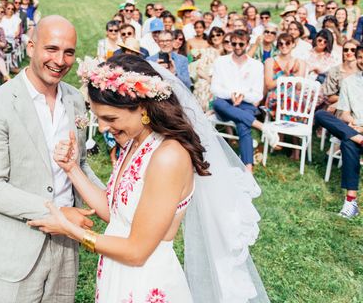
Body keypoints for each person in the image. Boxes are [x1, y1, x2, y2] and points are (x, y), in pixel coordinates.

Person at [28, 53, 269, 303]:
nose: (101, 128)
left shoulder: (168, 157)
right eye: (98, 117)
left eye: (110, 118)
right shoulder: (135, 143)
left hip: (145, 281)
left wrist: (70, 231)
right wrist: (71, 169)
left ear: (142, 108)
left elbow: (137, 251)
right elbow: (118, 214)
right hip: (118, 273)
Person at [0, 15, 102, 303]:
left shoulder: (76, 100)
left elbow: (80, 165)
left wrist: (111, 198)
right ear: (31, 47)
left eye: (69, 52)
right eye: (51, 49)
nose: (60, 60)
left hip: (66, 244)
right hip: (14, 246)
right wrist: (55, 212)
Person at [314, 45, 363, 219]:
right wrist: (353, 126)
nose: (362, 60)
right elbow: (344, 113)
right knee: (321, 114)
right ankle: (351, 203)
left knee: (347, 140)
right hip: (354, 129)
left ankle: (350, 201)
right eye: (360, 57)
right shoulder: (350, 82)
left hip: (357, 130)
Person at [211, 30, 265, 172]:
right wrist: (231, 94)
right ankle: (260, 125)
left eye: (241, 43)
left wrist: (242, 95)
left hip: (245, 104)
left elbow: (258, 95)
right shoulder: (221, 62)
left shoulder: (256, 65)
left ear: (247, 44)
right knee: (217, 103)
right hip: (225, 104)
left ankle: (248, 167)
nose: (237, 46)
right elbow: (215, 88)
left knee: (242, 123)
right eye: (233, 43)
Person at [263, 33, 306, 118]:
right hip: (275, 96)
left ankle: (285, 127)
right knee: (285, 100)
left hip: (293, 97)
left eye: (287, 43)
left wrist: (295, 73)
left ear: (293, 44)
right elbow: (269, 85)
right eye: (281, 43)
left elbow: (299, 87)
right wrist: (285, 76)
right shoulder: (270, 61)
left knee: (292, 99)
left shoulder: (300, 62)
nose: (284, 46)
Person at [320, 39, 359, 112]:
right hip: (339, 106)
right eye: (346, 50)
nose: (349, 52)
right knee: (323, 113)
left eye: (353, 50)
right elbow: (330, 97)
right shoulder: (334, 71)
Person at [193, 27, 225, 112]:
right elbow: (199, 70)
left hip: (225, 80)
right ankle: (205, 114)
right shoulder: (208, 51)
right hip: (209, 79)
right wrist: (209, 79)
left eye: (218, 35)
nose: (215, 37)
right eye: (212, 36)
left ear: (223, 35)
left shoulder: (228, 50)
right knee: (203, 85)